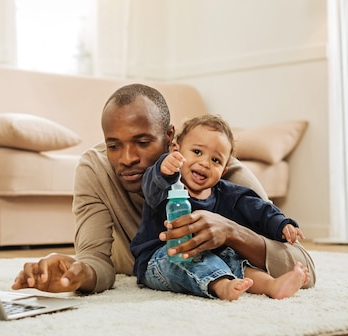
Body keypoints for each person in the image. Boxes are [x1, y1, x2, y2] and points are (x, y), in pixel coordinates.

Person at [11, 83, 316, 294]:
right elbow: (95, 260)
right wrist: (75, 274)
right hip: (151, 266)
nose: (127, 158)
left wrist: (231, 232)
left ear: (171, 139)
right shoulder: (96, 169)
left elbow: (303, 264)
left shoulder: (220, 173)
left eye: (143, 142)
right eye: (114, 145)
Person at [131, 114, 309, 300]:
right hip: (160, 258)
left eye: (215, 160)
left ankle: (271, 285)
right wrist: (164, 167)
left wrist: (281, 224)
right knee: (191, 259)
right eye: (197, 152)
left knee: (234, 259)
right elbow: (151, 187)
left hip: (211, 255)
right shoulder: (165, 185)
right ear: (176, 150)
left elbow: (259, 209)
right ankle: (221, 285)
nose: (205, 163)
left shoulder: (229, 195)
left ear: (224, 170)